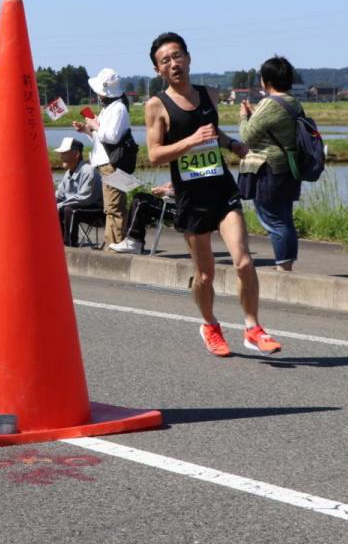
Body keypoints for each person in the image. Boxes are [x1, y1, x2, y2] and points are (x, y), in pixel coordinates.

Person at [144, 31, 281, 357]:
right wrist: (191, 141)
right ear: (158, 70)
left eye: (178, 56)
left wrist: (231, 143)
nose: (174, 64)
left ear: (189, 58)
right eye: (166, 61)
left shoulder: (210, 95)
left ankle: (253, 328)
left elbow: (211, 131)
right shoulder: (156, 106)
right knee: (205, 275)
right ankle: (209, 324)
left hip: (221, 189)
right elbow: (154, 155)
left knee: (244, 261)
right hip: (191, 198)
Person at [237, 55, 303, 271]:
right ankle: (287, 264)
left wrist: (243, 116)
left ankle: (283, 267)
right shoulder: (293, 102)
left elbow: (247, 136)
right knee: (284, 219)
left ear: (266, 80)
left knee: (274, 221)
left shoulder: (269, 103)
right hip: (288, 168)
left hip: (269, 170)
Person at [72, 67, 132, 248]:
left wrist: (94, 125)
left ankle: (114, 245)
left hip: (112, 164)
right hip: (107, 162)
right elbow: (103, 139)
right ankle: (112, 243)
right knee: (111, 208)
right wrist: (87, 130)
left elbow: (111, 136)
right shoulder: (111, 108)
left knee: (114, 208)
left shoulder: (118, 108)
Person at [53, 137, 102, 246]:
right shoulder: (68, 172)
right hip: (76, 207)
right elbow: (60, 195)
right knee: (55, 208)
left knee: (68, 209)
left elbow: (84, 198)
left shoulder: (88, 171)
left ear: (76, 154)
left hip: (95, 210)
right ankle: (57, 243)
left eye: (64, 153)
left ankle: (69, 243)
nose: (61, 157)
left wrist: (59, 205)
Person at [109, 183, 174, 255]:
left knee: (141, 201)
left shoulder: (187, 173)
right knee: (139, 196)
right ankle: (135, 242)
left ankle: (134, 242)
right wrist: (169, 185)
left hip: (180, 210)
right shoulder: (182, 174)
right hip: (174, 203)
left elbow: (187, 194)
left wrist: (165, 191)